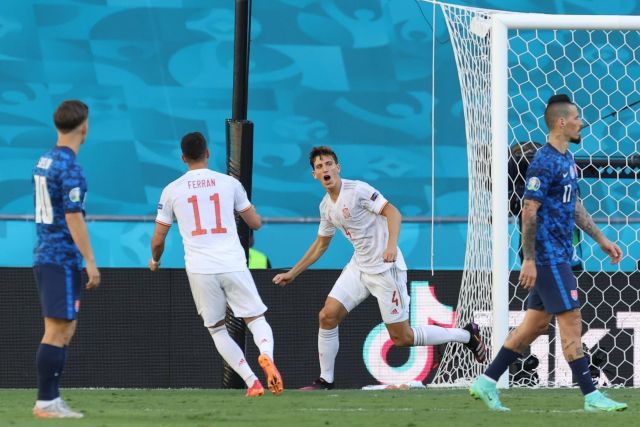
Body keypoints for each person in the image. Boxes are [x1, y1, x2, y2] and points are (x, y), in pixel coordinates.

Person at [272, 146, 487, 390]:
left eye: (329, 164)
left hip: (386, 269)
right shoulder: (326, 207)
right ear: (314, 175)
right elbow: (321, 244)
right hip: (359, 267)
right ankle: (325, 380)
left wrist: (391, 245)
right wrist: (293, 272)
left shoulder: (358, 191)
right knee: (327, 315)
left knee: (401, 338)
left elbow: (393, 212)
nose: (325, 169)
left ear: (338, 168)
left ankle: (466, 335)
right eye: (319, 166)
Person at [470, 94, 627, 412]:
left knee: (534, 326)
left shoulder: (567, 159)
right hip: (548, 256)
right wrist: (529, 258)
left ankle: (486, 382)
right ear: (562, 122)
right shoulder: (543, 161)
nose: (581, 123)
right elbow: (529, 209)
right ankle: (591, 396)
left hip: (559, 253)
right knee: (571, 319)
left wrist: (600, 239)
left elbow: (575, 206)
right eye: (577, 118)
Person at [148, 131, 283, 397]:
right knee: (255, 318)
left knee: (217, 328)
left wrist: (155, 260)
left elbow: (158, 239)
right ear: (208, 153)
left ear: (183, 157)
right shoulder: (229, 183)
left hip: (200, 268)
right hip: (232, 262)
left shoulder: (172, 190)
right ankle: (266, 355)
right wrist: (253, 215)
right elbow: (254, 223)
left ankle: (252, 382)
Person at [31, 100, 101, 419]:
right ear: (84, 127)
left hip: (46, 252)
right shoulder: (70, 167)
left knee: (64, 329)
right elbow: (74, 218)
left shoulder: (45, 160)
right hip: (61, 256)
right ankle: (46, 402)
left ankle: (51, 399)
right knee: (57, 331)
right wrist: (90, 260)